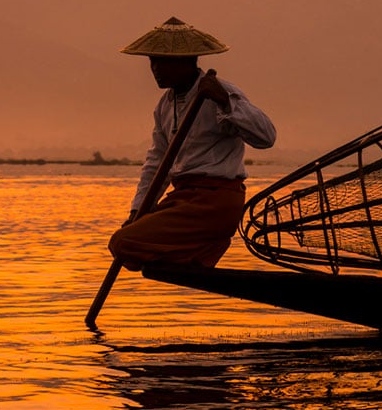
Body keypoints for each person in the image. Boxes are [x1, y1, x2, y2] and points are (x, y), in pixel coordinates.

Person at [108, 17, 276, 270]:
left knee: (122, 243)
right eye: (152, 61)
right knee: (129, 257)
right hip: (184, 197)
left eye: (160, 61)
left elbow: (266, 137)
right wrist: (138, 210)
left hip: (215, 201)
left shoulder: (220, 92)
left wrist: (225, 103)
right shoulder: (165, 105)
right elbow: (157, 163)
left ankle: (205, 246)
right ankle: (201, 251)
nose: (154, 69)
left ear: (184, 62)